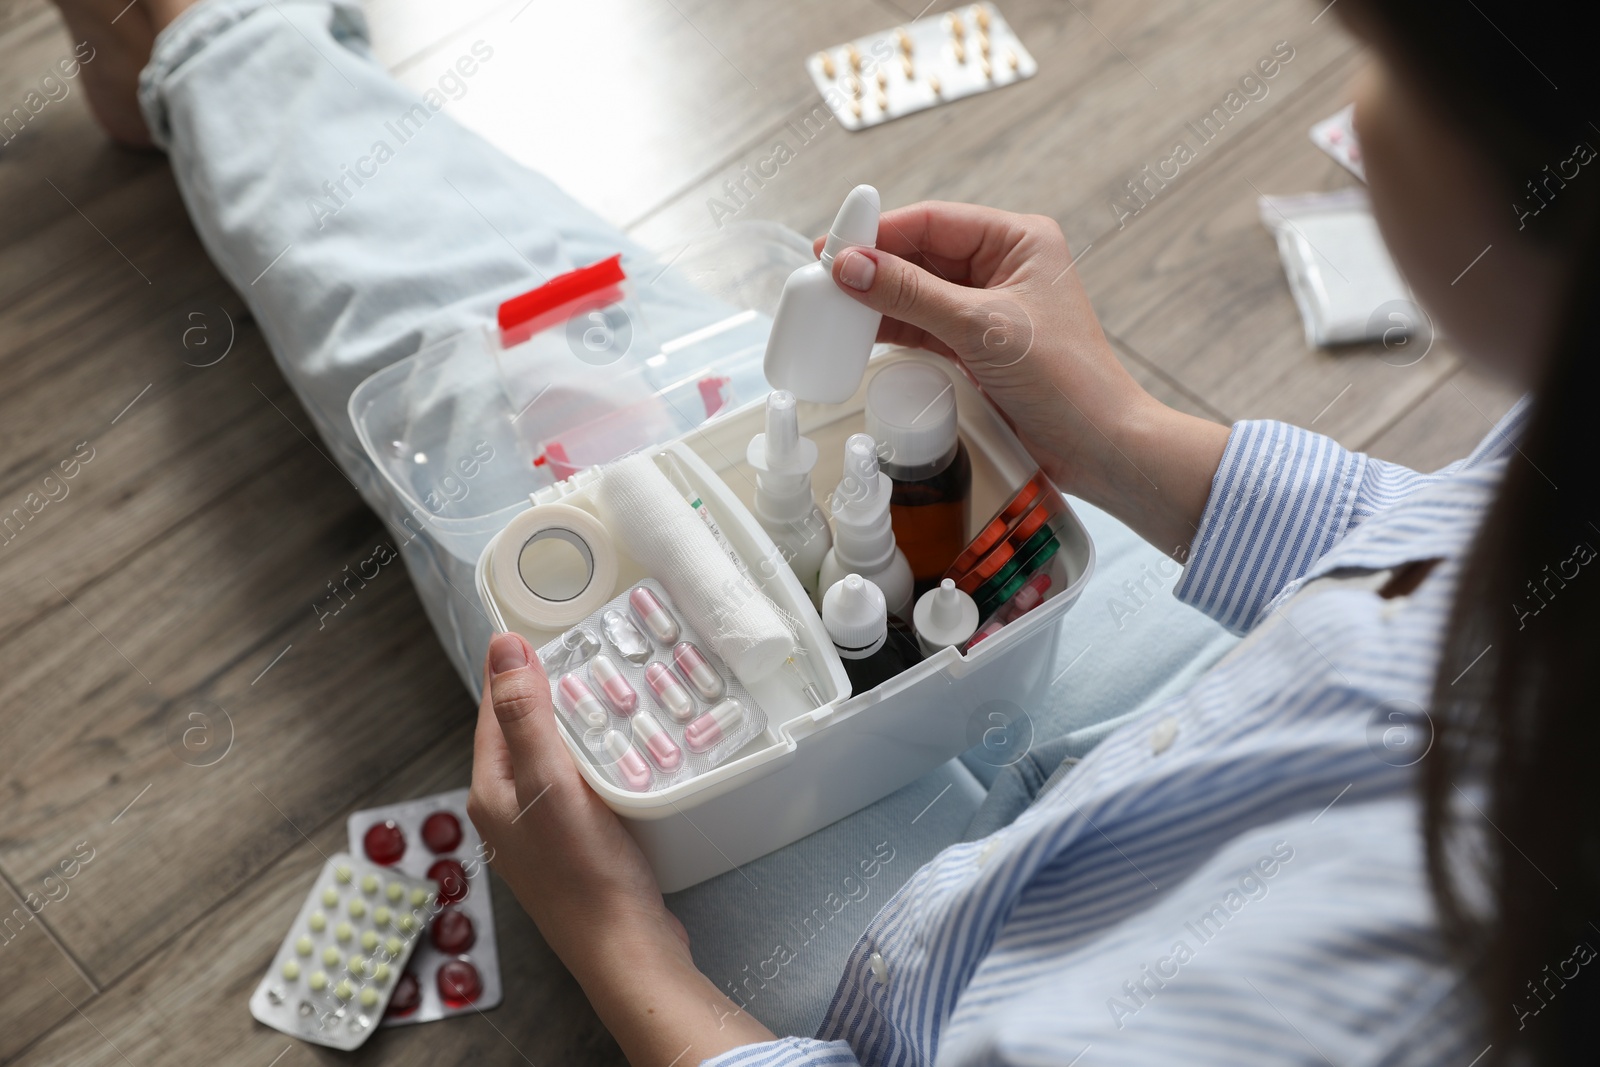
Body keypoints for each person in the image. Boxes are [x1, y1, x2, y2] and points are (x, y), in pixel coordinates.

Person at [43, 0, 1596, 1061]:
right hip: (1222, 693)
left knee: (490, 399)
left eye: (1377, 55)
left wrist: (617, 952)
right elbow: (1447, 546)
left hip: (932, 976)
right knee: (635, 365)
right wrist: (1121, 439)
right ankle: (233, 62)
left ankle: (203, 40)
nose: (1349, 99)